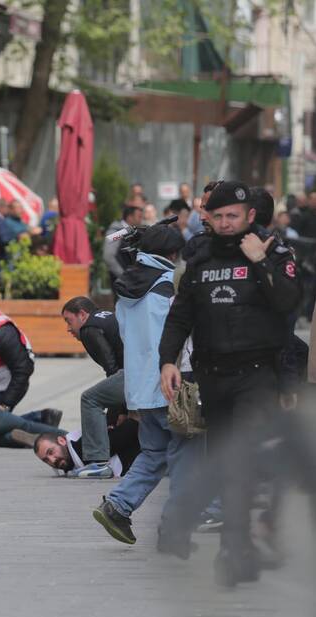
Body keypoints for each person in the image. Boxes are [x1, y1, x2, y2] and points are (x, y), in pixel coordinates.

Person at [158, 181, 300, 585]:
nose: (224, 224)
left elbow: (290, 304)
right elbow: (181, 315)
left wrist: (261, 263)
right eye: (217, 216)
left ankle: (233, 548)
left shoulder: (272, 252)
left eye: (232, 216)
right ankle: (239, 545)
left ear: (249, 216)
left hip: (257, 376)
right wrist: (167, 359)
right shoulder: (199, 257)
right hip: (212, 377)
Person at [93, 225, 195, 547]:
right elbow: (179, 337)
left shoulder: (126, 288)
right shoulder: (167, 286)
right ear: (173, 254)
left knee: (154, 453)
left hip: (140, 389)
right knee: (187, 455)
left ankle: (118, 507)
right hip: (169, 384)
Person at [60, 296, 125, 478]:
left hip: (134, 374)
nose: (68, 328)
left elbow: (112, 368)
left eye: (69, 321)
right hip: (144, 370)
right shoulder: (105, 317)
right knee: (112, 413)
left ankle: (99, 463)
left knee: (90, 399)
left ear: (82, 315)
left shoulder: (89, 329)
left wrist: (121, 408)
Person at [32, 419, 141, 477]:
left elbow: (132, 427)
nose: (52, 460)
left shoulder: (86, 445)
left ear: (62, 441)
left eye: (51, 452)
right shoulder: (73, 462)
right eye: (46, 460)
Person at [103, 205, 144, 280]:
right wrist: (123, 276)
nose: (141, 220)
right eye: (139, 217)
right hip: (121, 282)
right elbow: (108, 256)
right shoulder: (118, 232)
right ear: (130, 217)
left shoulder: (131, 230)